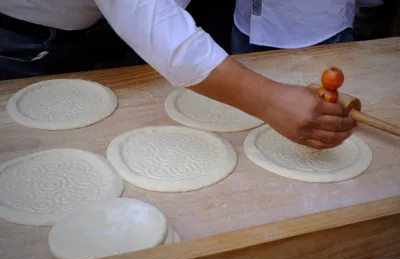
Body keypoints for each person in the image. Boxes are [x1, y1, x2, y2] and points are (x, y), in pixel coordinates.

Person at [0, 0, 356, 150]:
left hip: (94, 24)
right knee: (34, 144)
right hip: (19, 37)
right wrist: (268, 99)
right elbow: (148, 19)